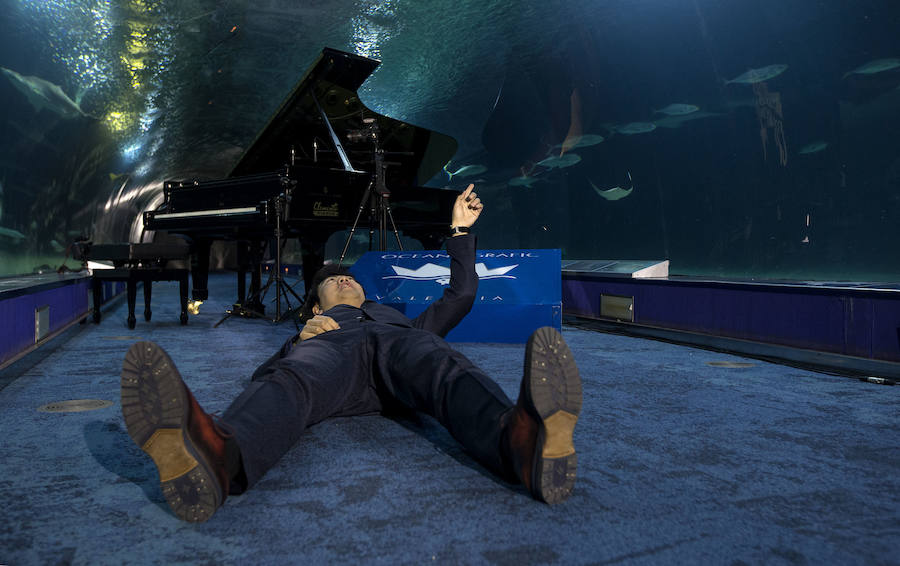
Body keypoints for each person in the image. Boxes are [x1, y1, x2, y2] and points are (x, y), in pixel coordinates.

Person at [121, 185, 582, 522]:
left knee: (441, 362)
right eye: (333, 281)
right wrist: (301, 340)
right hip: (331, 355)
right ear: (318, 304)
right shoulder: (316, 327)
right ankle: (218, 457)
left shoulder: (402, 323)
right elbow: (269, 374)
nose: (346, 279)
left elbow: (459, 296)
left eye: (352, 279)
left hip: (398, 352)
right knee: (295, 378)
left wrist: (459, 230)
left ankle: (520, 442)